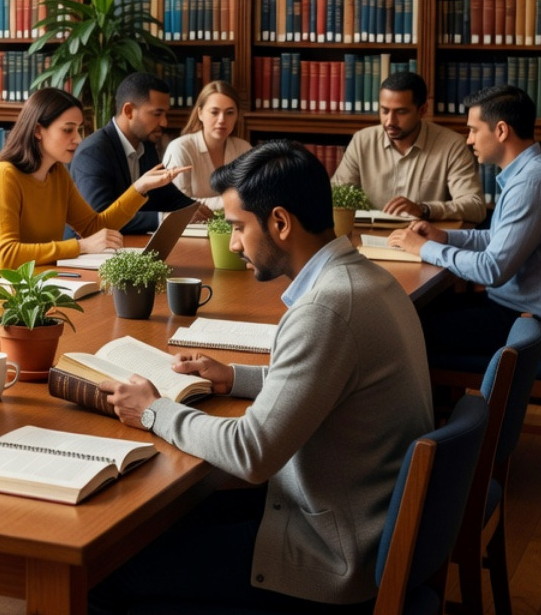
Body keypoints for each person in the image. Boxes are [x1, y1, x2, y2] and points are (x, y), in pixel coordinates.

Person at [91, 139, 433, 613]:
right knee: (169, 523)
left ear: (279, 222)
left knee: (105, 572)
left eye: (237, 227)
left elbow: (251, 453)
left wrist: (153, 411)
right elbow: (330, 380)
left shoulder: (325, 310)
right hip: (357, 517)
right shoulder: (364, 279)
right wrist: (235, 377)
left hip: (330, 554)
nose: (232, 243)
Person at [388, 84, 541, 361]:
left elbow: (492, 269)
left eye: (473, 130)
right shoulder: (532, 173)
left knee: (403, 328)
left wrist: (423, 249)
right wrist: (443, 237)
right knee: (413, 314)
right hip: (517, 310)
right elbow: (497, 238)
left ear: (502, 131)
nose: (468, 140)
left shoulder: (532, 184)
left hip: (528, 325)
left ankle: (434, 406)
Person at [0, 88, 180, 286]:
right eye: (68, 130)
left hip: (35, 277)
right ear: (38, 130)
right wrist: (81, 247)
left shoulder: (57, 174)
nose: (77, 139)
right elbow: (6, 256)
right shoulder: (3, 175)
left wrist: (139, 187)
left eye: (79, 130)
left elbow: (94, 227)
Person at [334, 70, 485, 223]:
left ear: (422, 110)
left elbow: (475, 207)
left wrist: (424, 209)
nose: (389, 121)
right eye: (384, 111)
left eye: (401, 112)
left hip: (423, 241)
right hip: (368, 239)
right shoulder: (362, 141)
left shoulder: (452, 145)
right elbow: (335, 197)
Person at [71, 71, 212, 233]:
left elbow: (167, 195)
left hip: (128, 245)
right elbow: (100, 217)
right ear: (129, 111)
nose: (164, 122)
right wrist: (164, 218)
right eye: (157, 113)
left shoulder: (146, 145)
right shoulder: (93, 153)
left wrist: (196, 209)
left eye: (165, 113)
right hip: (86, 254)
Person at [160, 80, 250, 213]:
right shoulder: (180, 148)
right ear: (200, 113)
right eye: (214, 112)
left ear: (237, 115)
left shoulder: (244, 149)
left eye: (229, 113)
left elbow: (254, 197)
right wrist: (233, 201)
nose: (222, 120)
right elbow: (178, 206)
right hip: (188, 229)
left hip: (234, 228)